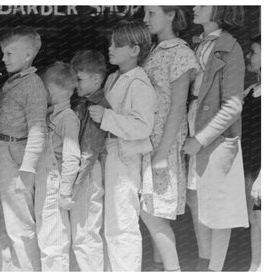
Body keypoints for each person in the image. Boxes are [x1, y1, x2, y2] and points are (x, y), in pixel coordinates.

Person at [183, 6, 248, 272]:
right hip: (193, 127)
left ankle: (214, 269)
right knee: (195, 199)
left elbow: (233, 106)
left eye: (203, 2)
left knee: (219, 208)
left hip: (217, 137)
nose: (195, 6)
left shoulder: (230, 48)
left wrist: (201, 138)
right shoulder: (196, 44)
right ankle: (203, 260)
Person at [88, 20, 156, 271]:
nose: (111, 48)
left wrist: (106, 118)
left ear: (135, 50)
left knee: (122, 223)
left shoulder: (138, 83)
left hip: (125, 156)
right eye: (111, 43)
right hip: (110, 153)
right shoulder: (115, 77)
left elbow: (142, 127)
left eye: (118, 44)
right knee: (110, 221)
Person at [141, 6, 199, 272]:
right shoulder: (153, 51)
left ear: (171, 14)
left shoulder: (180, 53)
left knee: (152, 212)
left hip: (164, 142)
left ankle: (173, 270)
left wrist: (163, 153)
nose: (145, 19)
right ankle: (157, 266)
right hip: (147, 140)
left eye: (151, 13)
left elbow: (178, 107)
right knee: (149, 208)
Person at [0, 25, 47, 271]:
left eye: (9, 53)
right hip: (4, 151)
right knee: (5, 219)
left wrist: (28, 167)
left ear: (27, 54)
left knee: (20, 222)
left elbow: (37, 129)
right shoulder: (16, 80)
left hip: (16, 156)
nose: (3, 59)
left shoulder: (33, 85)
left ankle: (30, 270)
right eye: (3, 53)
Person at [36, 61, 80, 271]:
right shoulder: (50, 114)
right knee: (45, 236)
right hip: (44, 181)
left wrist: (64, 191)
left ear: (50, 90)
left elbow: (72, 157)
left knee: (55, 241)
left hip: (55, 183)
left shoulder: (68, 118)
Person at [70, 50, 110, 271]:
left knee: (86, 231)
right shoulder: (84, 101)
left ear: (96, 78)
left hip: (88, 172)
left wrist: (75, 182)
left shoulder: (97, 106)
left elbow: (90, 148)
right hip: (83, 170)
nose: (75, 84)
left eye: (80, 79)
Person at [242, 34, 261, 272]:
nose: (249, 56)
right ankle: (255, 265)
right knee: (254, 220)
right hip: (248, 167)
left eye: (254, 52)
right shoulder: (249, 92)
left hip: (260, 171)